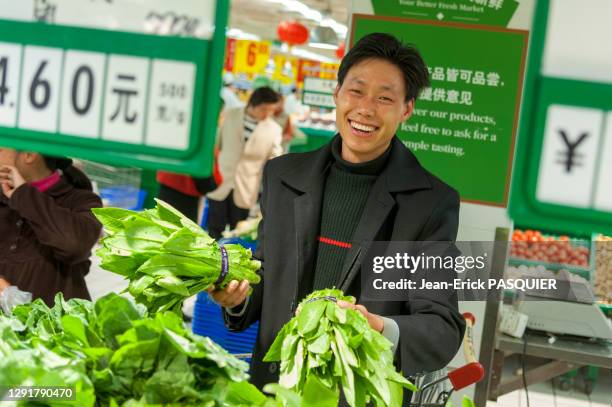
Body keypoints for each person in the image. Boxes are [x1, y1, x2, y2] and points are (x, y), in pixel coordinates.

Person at [209, 33, 466, 397]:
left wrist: (377, 326)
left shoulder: (429, 203)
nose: (365, 108)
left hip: (360, 396)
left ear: (406, 109)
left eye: (384, 98)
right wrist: (238, 297)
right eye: (356, 91)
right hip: (276, 389)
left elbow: (442, 328)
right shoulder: (283, 176)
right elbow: (269, 276)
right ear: (337, 93)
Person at [0, 149, 102, 306]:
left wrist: (23, 194)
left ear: (29, 154)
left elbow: (73, 245)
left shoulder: (82, 201)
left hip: (55, 326)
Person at [206, 86, 283, 239]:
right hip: (221, 180)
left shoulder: (274, 129)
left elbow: (274, 159)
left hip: (247, 187)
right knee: (213, 229)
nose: (267, 114)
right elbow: (218, 144)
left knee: (238, 232)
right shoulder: (230, 114)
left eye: (271, 110)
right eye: (264, 109)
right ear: (253, 103)